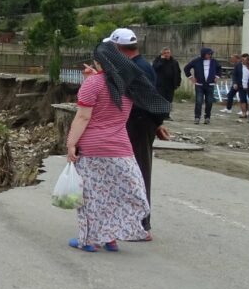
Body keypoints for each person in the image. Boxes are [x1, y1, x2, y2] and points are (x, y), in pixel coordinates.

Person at [65, 41, 154, 252]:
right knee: (115, 193)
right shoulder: (129, 83)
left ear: (99, 61)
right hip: (121, 148)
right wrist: (94, 77)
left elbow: (84, 116)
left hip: (92, 147)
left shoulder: (93, 84)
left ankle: (88, 240)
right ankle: (110, 238)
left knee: (90, 195)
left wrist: (71, 144)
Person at [102, 28, 170, 235]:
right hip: (141, 123)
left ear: (119, 48)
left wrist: (154, 122)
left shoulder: (136, 68)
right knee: (131, 172)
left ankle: (141, 224)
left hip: (138, 124)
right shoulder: (138, 66)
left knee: (138, 172)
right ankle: (131, 220)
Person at [183, 48, 222, 125]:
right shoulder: (196, 61)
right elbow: (186, 68)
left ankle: (207, 117)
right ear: (203, 54)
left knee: (209, 102)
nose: (210, 55)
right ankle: (197, 117)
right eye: (208, 54)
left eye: (211, 54)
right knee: (198, 101)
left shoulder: (214, 61)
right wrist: (191, 77)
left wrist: (217, 77)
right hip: (199, 85)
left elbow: (219, 68)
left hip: (210, 85)